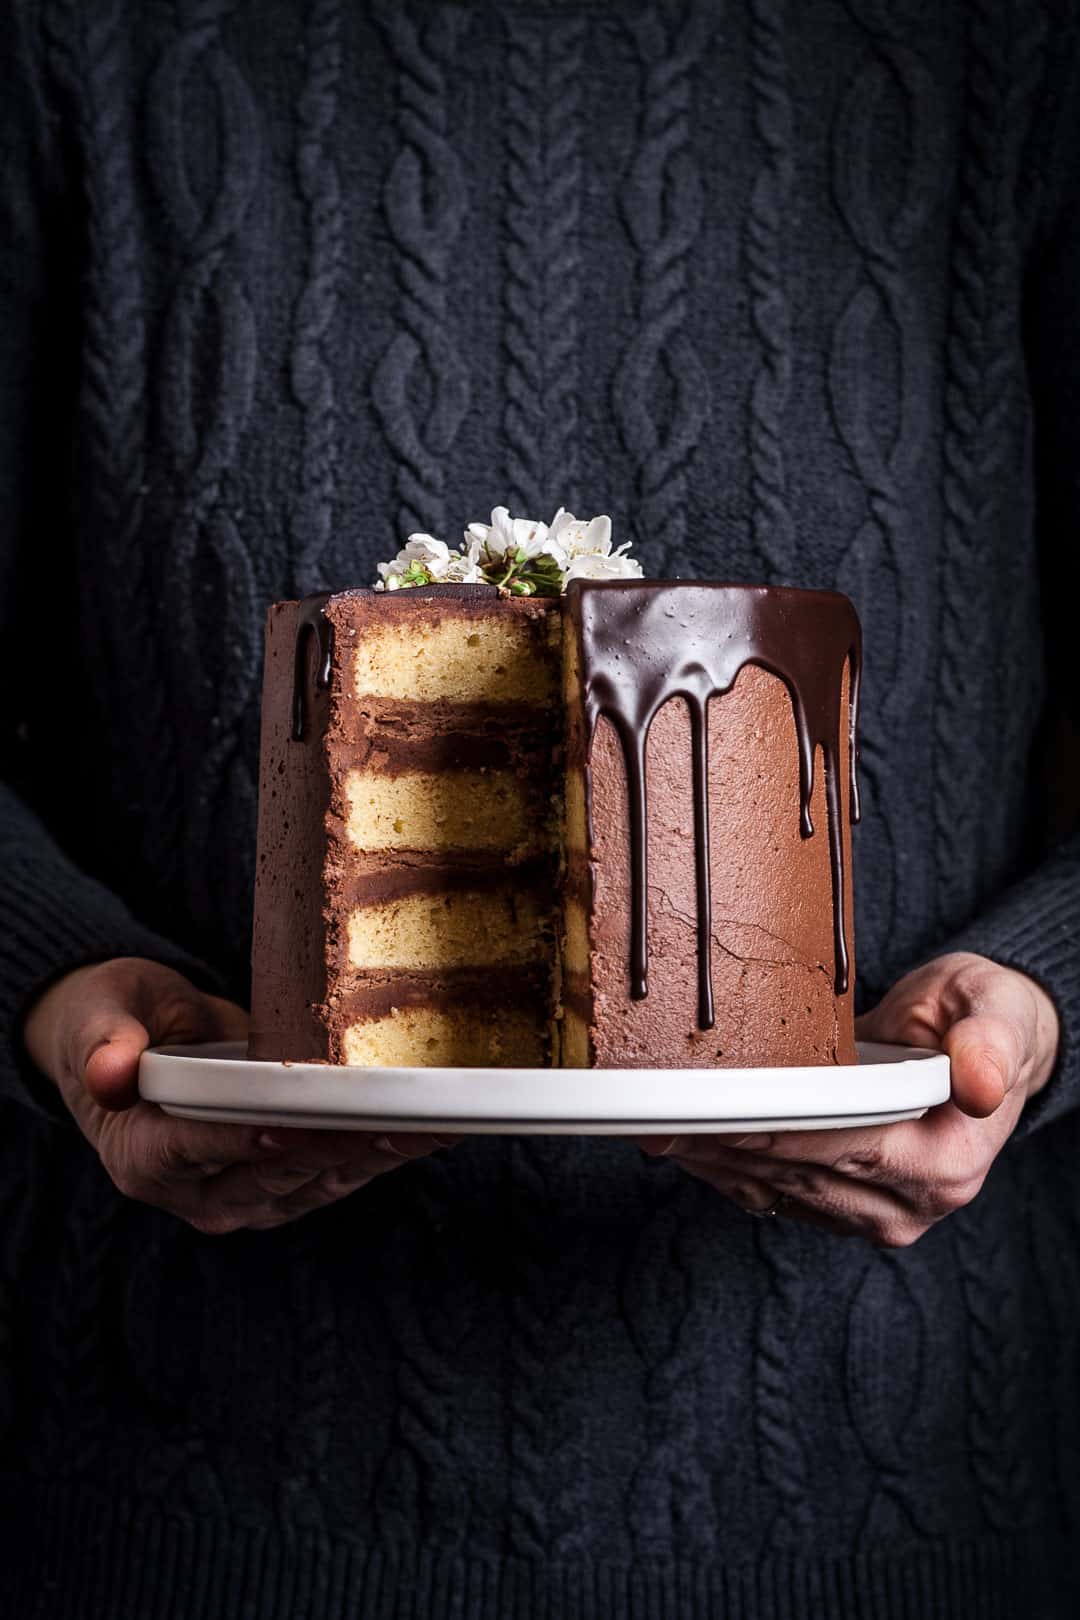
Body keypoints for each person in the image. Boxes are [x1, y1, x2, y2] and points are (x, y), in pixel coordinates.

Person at [2, 0, 1078, 1615]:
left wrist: (1056, 986)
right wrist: (45, 974)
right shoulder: (71, 48)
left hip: (907, 1504)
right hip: (177, 1494)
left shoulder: (1012, 52)